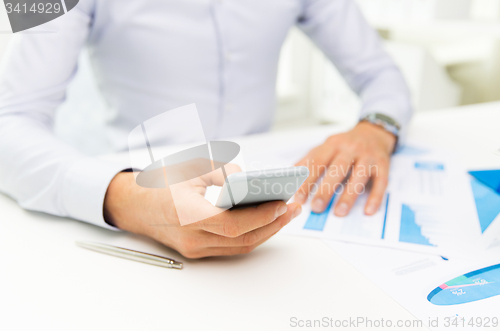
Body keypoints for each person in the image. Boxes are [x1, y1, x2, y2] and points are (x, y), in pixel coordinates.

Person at [0, 0, 412, 258]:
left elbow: (380, 74)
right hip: (137, 220)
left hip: (274, 227)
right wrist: (121, 198)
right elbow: (9, 121)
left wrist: (377, 126)